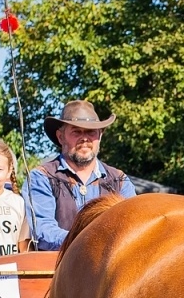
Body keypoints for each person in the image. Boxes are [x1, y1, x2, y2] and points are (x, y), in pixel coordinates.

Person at [25, 99, 136, 250]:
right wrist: (89, 242)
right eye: (76, 131)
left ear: (100, 136)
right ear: (60, 137)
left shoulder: (120, 180)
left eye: (91, 132)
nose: (85, 138)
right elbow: (42, 230)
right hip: (58, 270)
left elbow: (133, 226)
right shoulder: (42, 177)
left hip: (107, 270)